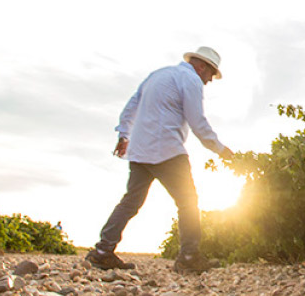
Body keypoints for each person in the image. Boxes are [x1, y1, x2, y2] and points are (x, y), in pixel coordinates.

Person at [85, 46, 234, 273]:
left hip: (140, 150)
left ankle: (103, 251)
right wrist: (221, 150)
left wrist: (124, 135)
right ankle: (189, 257)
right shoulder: (191, 80)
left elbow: (131, 106)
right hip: (168, 150)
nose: (210, 80)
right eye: (211, 74)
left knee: (130, 202)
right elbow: (197, 122)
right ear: (202, 67)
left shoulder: (157, 75)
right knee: (188, 201)